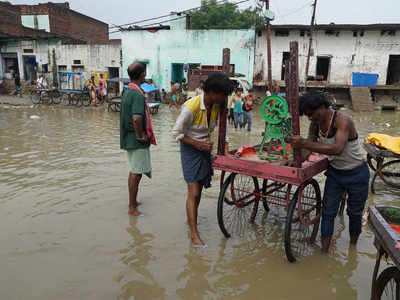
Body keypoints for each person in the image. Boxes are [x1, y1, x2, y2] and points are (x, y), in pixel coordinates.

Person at [290, 91, 370, 253]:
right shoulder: (315, 125)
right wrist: (295, 160)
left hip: (357, 173)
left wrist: (304, 143)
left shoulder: (343, 121)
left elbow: (337, 149)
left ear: (322, 107)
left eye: (311, 114)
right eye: (307, 116)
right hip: (335, 174)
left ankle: (352, 250)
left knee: (354, 213)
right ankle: (324, 253)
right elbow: (308, 150)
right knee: (328, 212)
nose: (310, 118)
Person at [172, 72, 233, 246]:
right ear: (213, 92)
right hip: (190, 148)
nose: (224, 99)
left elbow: (224, 129)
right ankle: (194, 234)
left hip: (205, 147)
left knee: (199, 189)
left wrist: (226, 150)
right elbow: (176, 133)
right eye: (223, 95)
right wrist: (197, 145)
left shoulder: (217, 106)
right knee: (194, 191)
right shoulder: (191, 107)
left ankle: (191, 219)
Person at [120, 62, 156, 216]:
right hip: (135, 139)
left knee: (133, 171)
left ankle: (132, 202)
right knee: (137, 173)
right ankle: (132, 208)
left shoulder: (128, 90)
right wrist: (140, 135)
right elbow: (136, 118)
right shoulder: (136, 94)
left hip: (128, 138)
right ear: (142, 74)